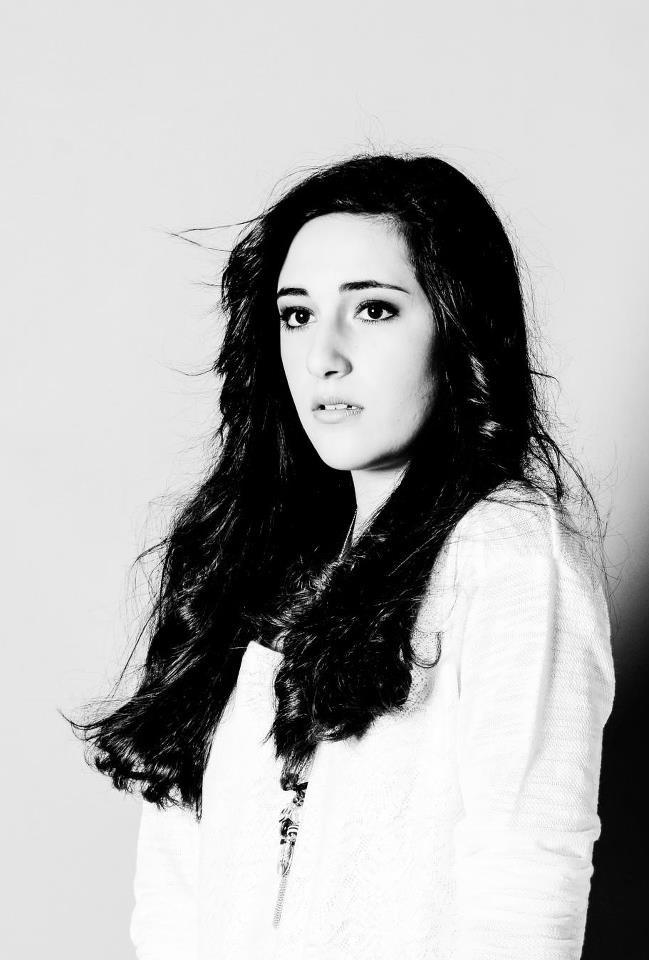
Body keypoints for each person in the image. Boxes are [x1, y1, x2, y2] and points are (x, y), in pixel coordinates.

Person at [68, 152, 615, 960]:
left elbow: (526, 889)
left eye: (374, 310)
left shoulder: (508, 551)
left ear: (457, 330)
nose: (323, 354)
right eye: (296, 315)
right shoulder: (246, 561)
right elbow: (174, 895)